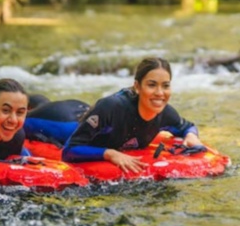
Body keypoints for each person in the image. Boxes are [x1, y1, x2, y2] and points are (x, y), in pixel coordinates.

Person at [61, 57, 205, 173]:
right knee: (39, 106)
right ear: (137, 86)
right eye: (152, 85)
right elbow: (68, 151)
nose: (160, 93)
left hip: (87, 112)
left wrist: (191, 136)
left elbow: (188, 127)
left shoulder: (166, 113)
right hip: (63, 118)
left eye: (165, 85)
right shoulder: (112, 107)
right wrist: (110, 154)